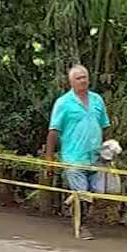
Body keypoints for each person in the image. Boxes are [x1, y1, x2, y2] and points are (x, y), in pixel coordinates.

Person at [44, 64, 111, 196]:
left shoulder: (97, 99)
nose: (82, 81)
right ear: (71, 82)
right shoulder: (63, 102)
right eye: (78, 78)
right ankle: (78, 213)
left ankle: (85, 214)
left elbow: (105, 127)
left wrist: (107, 153)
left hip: (96, 157)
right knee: (81, 197)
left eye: (84, 77)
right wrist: (49, 159)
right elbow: (53, 131)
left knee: (100, 197)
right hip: (74, 158)